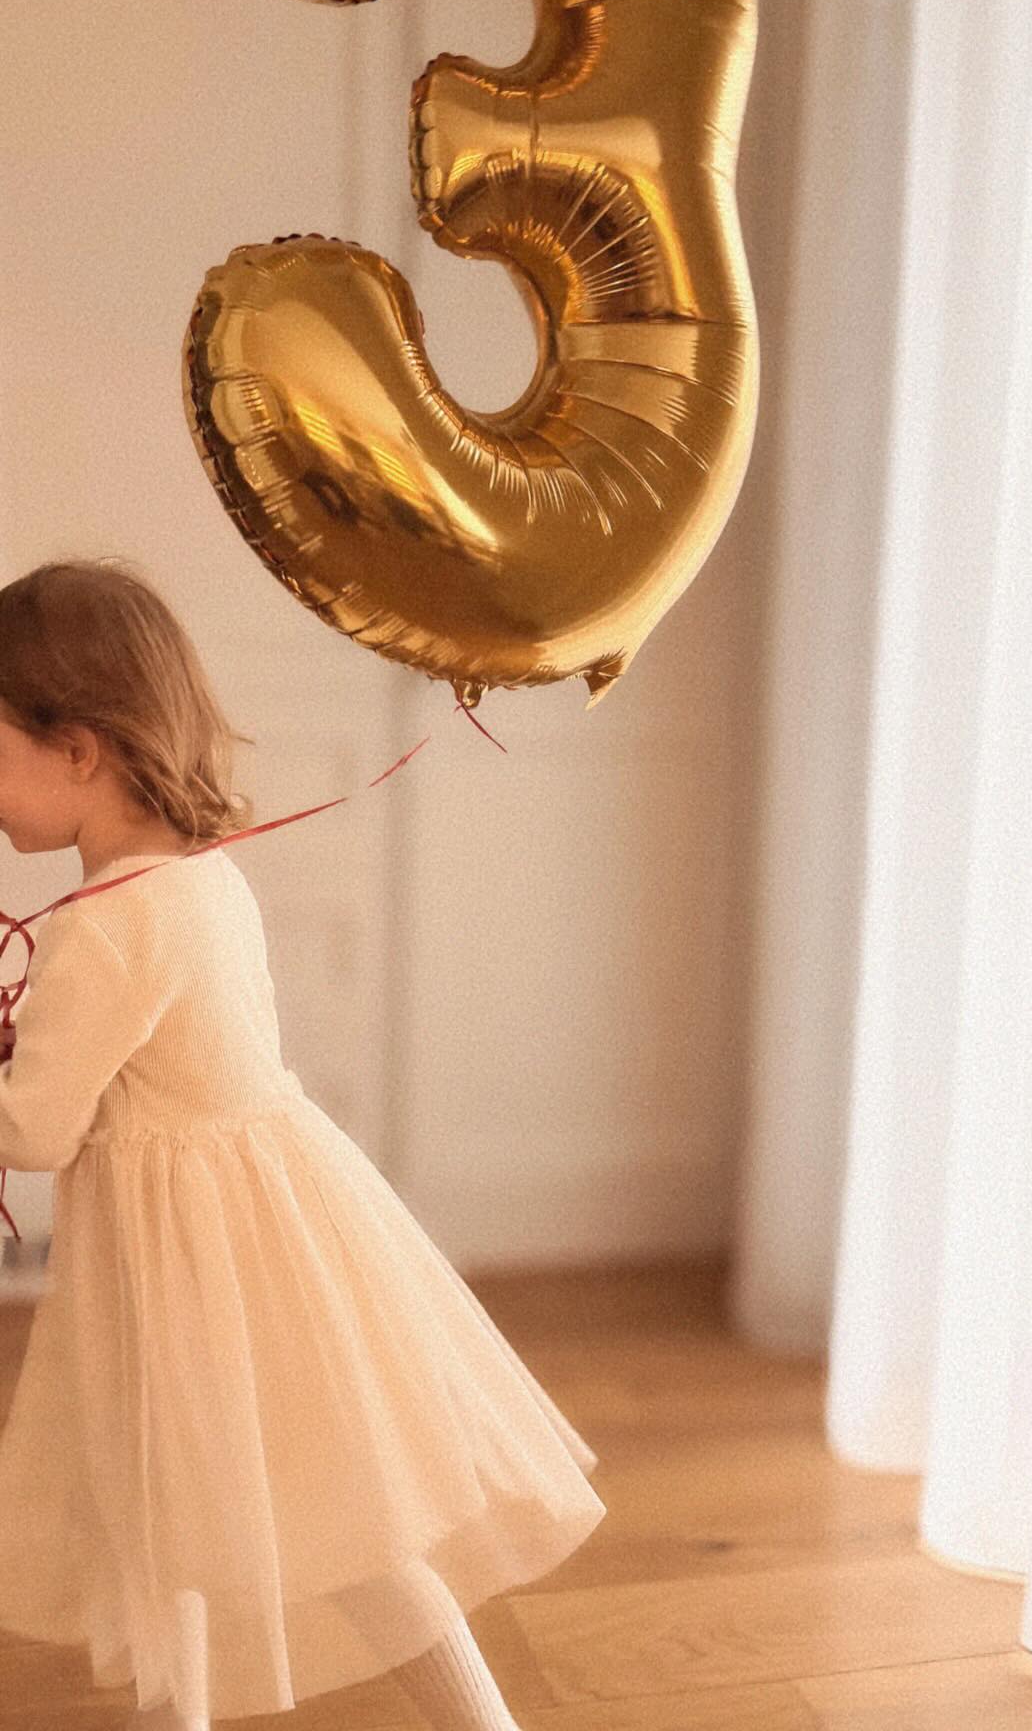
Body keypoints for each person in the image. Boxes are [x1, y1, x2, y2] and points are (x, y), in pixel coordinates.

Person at [0, 559, 606, 1730]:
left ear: (78, 750)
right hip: (264, 1239)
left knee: (177, 1516)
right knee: (319, 1520)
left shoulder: (103, 926)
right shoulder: (200, 883)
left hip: (186, 1270)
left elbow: (33, 1127)